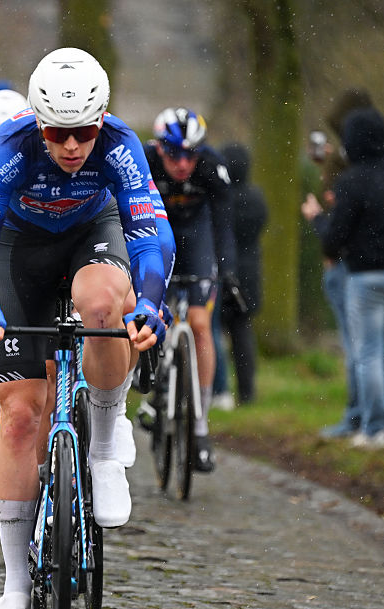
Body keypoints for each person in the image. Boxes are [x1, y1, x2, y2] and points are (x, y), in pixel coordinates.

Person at [0, 47, 164, 609]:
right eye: (57, 134)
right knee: (21, 418)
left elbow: (151, 235)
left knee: (106, 305)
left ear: (100, 122)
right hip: (22, 255)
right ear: (38, 123)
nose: (72, 147)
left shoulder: (121, 146)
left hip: (90, 241)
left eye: (82, 134)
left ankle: (102, 448)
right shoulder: (12, 147)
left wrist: (148, 299)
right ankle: (16, 590)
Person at [309, 107, 384, 450]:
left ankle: (374, 430)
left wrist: (317, 218)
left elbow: (334, 239)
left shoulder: (353, 180)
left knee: (368, 352)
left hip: (366, 278)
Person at [145, 106, 236, 472]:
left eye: (190, 155)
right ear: (159, 147)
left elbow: (225, 226)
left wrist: (228, 273)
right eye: (173, 154)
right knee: (151, 316)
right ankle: (154, 389)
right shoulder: (146, 160)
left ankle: (199, 426)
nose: (182, 164)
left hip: (195, 239)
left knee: (199, 323)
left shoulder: (211, 167)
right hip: (155, 235)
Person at [218, 143, 267, 404]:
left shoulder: (223, 199)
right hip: (250, 272)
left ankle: (218, 390)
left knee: (214, 332)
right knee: (242, 335)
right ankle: (247, 392)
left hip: (225, 270)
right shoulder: (256, 198)